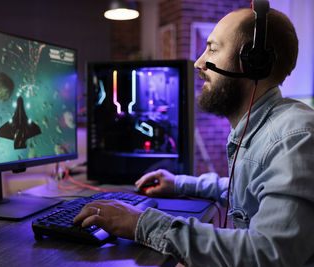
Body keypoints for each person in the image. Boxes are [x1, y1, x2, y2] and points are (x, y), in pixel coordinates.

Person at [74, 6, 314, 267]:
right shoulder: (265, 129)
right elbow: (247, 191)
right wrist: (179, 183)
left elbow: (269, 253)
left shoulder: (293, 138)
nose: (199, 63)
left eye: (212, 48)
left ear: (253, 62)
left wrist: (140, 223)